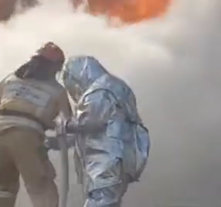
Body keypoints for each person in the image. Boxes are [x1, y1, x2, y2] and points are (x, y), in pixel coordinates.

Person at [0, 42, 71, 207]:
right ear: (54, 68)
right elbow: (68, 124)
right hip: (27, 137)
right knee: (41, 187)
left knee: (3, 188)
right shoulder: (57, 90)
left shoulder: (11, 79)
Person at [52, 56, 150, 207]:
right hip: (119, 156)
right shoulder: (117, 87)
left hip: (106, 159)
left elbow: (91, 123)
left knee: (100, 200)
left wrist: (65, 125)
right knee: (109, 201)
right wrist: (60, 142)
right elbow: (101, 128)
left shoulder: (99, 90)